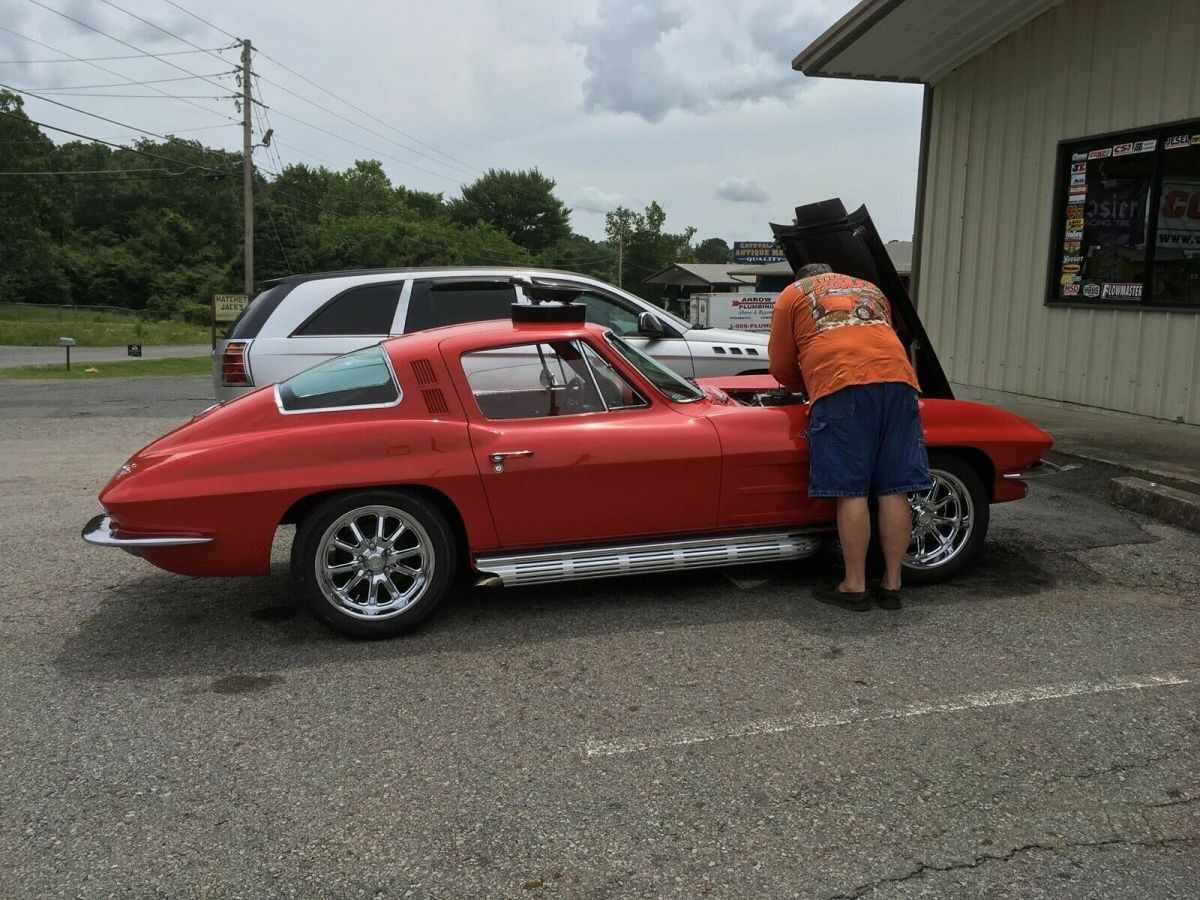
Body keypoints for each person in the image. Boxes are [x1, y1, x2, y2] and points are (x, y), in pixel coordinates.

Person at [768, 263, 933, 611]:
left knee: (851, 488)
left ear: (802, 277)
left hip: (842, 382)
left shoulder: (793, 294)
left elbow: (781, 365)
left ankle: (854, 585)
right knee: (894, 486)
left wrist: (809, 385)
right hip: (901, 380)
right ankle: (892, 584)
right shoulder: (871, 288)